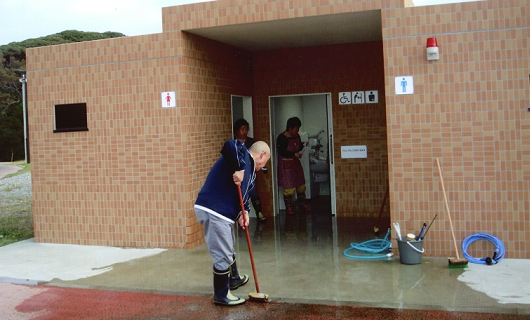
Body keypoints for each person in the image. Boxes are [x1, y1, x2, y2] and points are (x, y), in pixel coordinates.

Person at [194, 139, 271, 306]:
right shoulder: (243, 155)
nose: (262, 167)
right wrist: (240, 168)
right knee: (222, 252)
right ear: (262, 154)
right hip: (214, 210)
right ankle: (221, 295)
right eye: (263, 163)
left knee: (229, 245)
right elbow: (231, 144)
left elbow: (245, 193)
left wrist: (245, 213)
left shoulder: (250, 170)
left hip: (223, 213)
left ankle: (234, 278)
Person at [233, 118, 266, 221]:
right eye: (242, 129)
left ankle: (259, 213)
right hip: (238, 173)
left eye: (246, 129)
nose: (244, 131)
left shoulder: (251, 142)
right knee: (239, 195)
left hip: (250, 172)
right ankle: (240, 216)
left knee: (254, 192)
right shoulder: (234, 143)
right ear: (237, 130)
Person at [276, 116, 311, 215]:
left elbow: (298, 146)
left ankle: (302, 203)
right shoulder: (282, 137)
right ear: (290, 128)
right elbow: (281, 151)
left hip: (295, 164)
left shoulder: (297, 136)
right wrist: (293, 154)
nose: (297, 131)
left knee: (300, 184)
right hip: (286, 165)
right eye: (296, 129)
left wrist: (303, 146)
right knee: (288, 186)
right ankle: (289, 207)